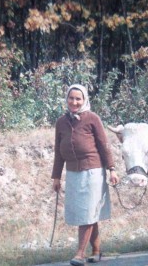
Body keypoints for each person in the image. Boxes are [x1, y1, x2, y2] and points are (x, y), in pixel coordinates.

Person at [51, 84, 119, 266]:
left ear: (85, 100)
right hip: (73, 174)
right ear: (66, 99)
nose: (74, 102)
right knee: (87, 213)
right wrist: (56, 177)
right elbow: (58, 152)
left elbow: (104, 145)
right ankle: (96, 251)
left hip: (93, 172)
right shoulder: (61, 122)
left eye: (78, 98)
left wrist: (112, 168)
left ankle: (80, 254)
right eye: (71, 98)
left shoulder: (92, 118)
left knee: (88, 212)